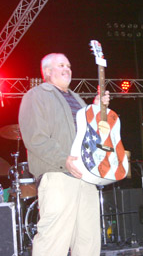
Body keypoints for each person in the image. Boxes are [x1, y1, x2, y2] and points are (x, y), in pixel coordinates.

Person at [19, 53, 110, 256]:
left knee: (89, 241)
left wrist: (96, 108)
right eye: (61, 65)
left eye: (69, 65)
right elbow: (35, 138)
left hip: (86, 178)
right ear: (48, 71)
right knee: (53, 242)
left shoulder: (76, 99)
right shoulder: (36, 96)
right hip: (58, 176)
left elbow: (88, 133)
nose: (67, 69)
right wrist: (64, 160)